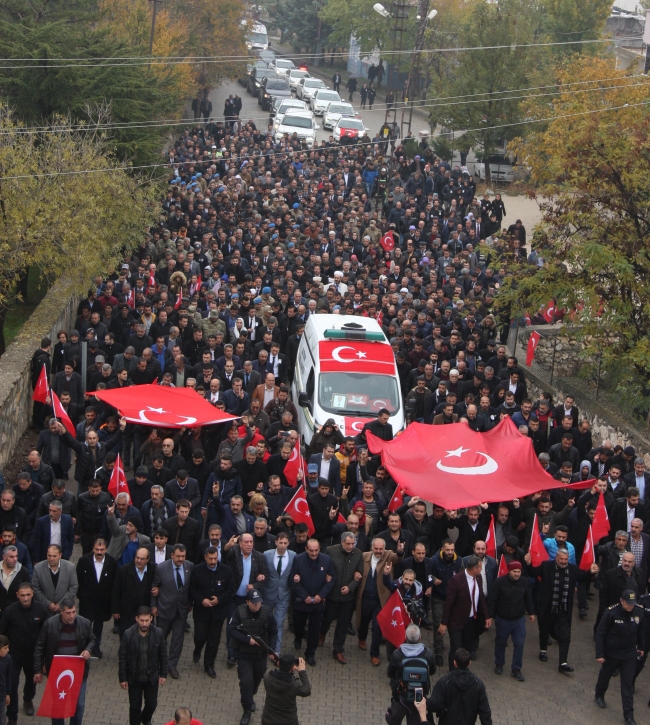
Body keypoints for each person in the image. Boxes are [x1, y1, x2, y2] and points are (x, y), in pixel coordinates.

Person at [525, 548, 598, 672]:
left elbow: (581, 577)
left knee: (565, 635)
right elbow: (533, 573)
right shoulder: (546, 566)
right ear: (556, 558)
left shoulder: (573, 569)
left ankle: (563, 663)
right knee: (544, 630)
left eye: (566, 559)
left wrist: (591, 572)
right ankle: (543, 650)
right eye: (561, 559)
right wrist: (528, 563)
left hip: (563, 608)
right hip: (548, 607)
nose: (564, 562)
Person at [33, 597, 94, 725]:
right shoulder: (50, 624)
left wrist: (88, 650)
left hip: (78, 670)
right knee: (58, 705)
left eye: (73, 612)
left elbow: (92, 640)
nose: (71, 616)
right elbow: (40, 647)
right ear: (61, 611)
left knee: (79, 705)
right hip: (57, 671)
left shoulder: (85, 623)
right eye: (68, 613)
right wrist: (38, 669)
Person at [227, 588, 278, 725]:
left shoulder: (267, 613)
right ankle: (247, 709)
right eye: (254, 603)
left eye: (259, 602)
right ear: (247, 601)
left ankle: (250, 695)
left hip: (260, 655)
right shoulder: (239, 612)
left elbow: (274, 631)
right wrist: (247, 640)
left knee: (257, 678)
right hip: (243, 654)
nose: (257, 605)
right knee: (246, 681)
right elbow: (231, 630)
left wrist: (271, 649)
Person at [594, 589, 644, 725]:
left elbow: (640, 631)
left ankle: (629, 715)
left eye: (633, 603)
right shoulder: (611, 613)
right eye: (628, 603)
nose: (630, 606)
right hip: (612, 653)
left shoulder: (639, 612)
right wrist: (600, 654)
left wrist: (641, 647)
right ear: (621, 601)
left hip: (629, 654)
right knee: (605, 675)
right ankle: (599, 694)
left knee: (627, 684)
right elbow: (600, 633)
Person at [0, 582, 45, 721]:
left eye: (28, 595)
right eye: (22, 595)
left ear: (32, 594)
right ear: (17, 595)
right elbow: (2, 632)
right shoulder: (10, 611)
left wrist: (43, 659)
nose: (25, 598)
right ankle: (12, 716)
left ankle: (28, 700)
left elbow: (45, 634)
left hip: (33, 655)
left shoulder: (41, 609)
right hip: (14, 655)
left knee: (31, 681)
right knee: (12, 685)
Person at [189, 546, 235, 678]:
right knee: (200, 636)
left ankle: (209, 665)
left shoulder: (226, 570)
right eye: (211, 559)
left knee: (214, 641)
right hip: (201, 611)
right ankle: (197, 649)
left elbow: (230, 589)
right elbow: (192, 589)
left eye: (215, 558)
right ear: (205, 557)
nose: (213, 561)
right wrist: (201, 600)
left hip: (218, 612)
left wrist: (219, 600)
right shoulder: (197, 570)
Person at [439, 556, 492, 669]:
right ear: (474, 569)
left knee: (465, 648)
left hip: (471, 620)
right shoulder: (456, 580)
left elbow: (481, 597)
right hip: (456, 621)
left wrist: (487, 616)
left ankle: (462, 670)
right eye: (480, 567)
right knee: (456, 648)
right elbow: (449, 603)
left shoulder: (478, 578)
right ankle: (453, 672)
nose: (481, 570)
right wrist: (444, 623)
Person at [289, 538, 336, 667]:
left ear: (319, 549)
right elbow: (292, 581)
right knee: (298, 625)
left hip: (317, 603)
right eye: (311, 551)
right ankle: (298, 637)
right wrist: (305, 596)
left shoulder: (326, 560)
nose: (314, 553)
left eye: (316, 550)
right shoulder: (298, 559)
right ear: (306, 549)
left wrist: (320, 596)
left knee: (314, 630)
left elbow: (332, 579)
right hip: (301, 602)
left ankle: (310, 653)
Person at [118, 606, 168, 725]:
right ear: (136, 619)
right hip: (134, 678)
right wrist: (123, 678)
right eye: (142, 620)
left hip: (151, 678)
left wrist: (163, 674)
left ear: (151, 618)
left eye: (146, 620)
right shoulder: (128, 634)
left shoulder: (158, 633)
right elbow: (122, 657)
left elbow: (163, 654)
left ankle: (145, 719)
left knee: (152, 704)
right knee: (135, 707)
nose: (144, 623)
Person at [151, 543, 194, 680]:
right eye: (178, 556)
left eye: (183, 556)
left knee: (177, 639)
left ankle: (172, 665)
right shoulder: (161, 568)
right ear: (172, 555)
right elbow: (154, 587)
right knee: (160, 637)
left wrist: (190, 603)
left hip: (181, 610)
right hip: (164, 609)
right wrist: (154, 606)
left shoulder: (189, 566)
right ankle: (156, 663)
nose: (181, 559)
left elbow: (191, 587)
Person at [356, 537, 401, 666]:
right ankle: (362, 638)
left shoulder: (389, 555)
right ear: (371, 548)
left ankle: (374, 654)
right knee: (363, 621)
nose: (378, 551)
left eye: (381, 549)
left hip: (380, 599)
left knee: (378, 627)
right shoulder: (364, 556)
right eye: (376, 548)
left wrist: (400, 552)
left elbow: (398, 558)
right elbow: (357, 567)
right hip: (365, 597)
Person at [486, 560, 534, 681]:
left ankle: (516, 668)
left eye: (519, 571)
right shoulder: (499, 582)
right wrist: (490, 616)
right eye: (514, 571)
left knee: (519, 643)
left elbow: (528, 597)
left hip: (518, 620)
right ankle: (499, 663)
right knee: (500, 642)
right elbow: (492, 600)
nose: (517, 574)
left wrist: (532, 612)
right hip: (503, 619)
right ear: (509, 571)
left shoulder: (524, 582)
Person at [320, 531, 364, 664]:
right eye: (348, 544)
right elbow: (323, 568)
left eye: (353, 543)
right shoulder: (330, 551)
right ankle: (321, 634)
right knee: (327, 618)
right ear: (342, 541)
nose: (350, 546)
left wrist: (350, 587)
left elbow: (360, 574)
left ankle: (338, 650)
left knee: (343, 624)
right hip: (332, 594)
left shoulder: (358, 554)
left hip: (347, 598)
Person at [424, 648, 492, 725]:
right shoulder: (478, 684)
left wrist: (423, 699)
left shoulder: (444, 682)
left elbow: (434, 705)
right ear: (469, 663)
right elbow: (485, 713)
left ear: (454, 662)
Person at [75, 538, 118, 658]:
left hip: (103, 602)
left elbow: (115, 583)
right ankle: (84, 647)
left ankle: (96, 647)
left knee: (98, 626)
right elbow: (77, 580)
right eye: (97, 549)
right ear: (93, 549)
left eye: (102, 549)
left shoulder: (112, 562)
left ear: (106, 549)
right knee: (85, 625)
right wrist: (81, 596)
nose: (99, 552)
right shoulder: (84, 561)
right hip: (87, 601)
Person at [385, 624, 436, 725]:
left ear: (405, 637)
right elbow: (432, 671)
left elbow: (390, 673)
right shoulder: (428, 654)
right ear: (420, 637)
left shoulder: (398, 654)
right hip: (419, 698)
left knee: (393, 720)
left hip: (401, 696)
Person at [262, 532, 296, 654]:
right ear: (276, 542)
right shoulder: (267, 555)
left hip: (284, 595)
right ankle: (263, 646)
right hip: (267, 594)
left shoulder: (293, 556)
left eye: (285, 543)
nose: (282, 545)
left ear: (288, 543)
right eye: (280, 542)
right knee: (264, 622)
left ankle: (275, 651)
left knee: (278, 624)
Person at [112, 547, 156, 637]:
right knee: (126, 636)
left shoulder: (154, 569)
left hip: (145, 610)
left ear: (148, 559)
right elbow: (116, 591)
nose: (138, 561)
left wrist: (157, 589)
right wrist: (115, 610)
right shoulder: (123, 571)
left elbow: (160, 583)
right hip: (127, 611)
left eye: (142, 559)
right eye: (137, 557)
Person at [261, 653, 311, 725]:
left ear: (278, 664)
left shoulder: (267, 677)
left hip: (268, 720)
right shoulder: (294, 685)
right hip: (288, 721)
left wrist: (277, 661)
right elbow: (306, 690)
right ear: (293, 668)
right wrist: (302, 671)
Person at [32, 545, 78, 616]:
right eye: (49, 555)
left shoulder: (70, 567)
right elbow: (35, 588)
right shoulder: (38, 568)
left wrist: (61, 604)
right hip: (45, 610)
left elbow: (73, 587)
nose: (51, 558)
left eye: (54, 556)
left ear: (60, 555)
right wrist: (48, 604)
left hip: (64, 611)